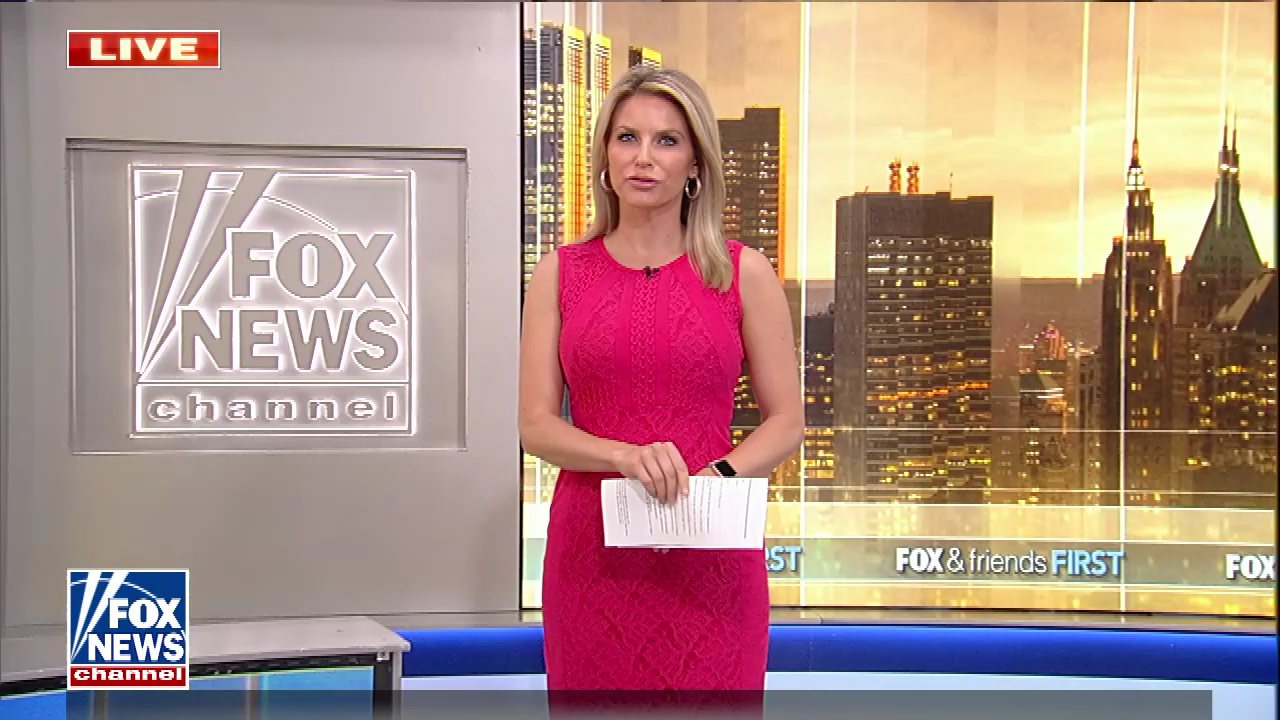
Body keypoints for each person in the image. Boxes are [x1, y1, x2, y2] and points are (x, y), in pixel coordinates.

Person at [518, 65, 803, 698]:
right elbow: (535, 425)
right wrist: (623, 455)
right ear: (605, 156)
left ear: (696, 164)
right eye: (627, 137)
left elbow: (787, 422)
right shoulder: (560, 273)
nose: (643, 156)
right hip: (592, 555)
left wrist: (718, 476)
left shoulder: (742, 272)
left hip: (710, 551)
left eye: (666, 140)